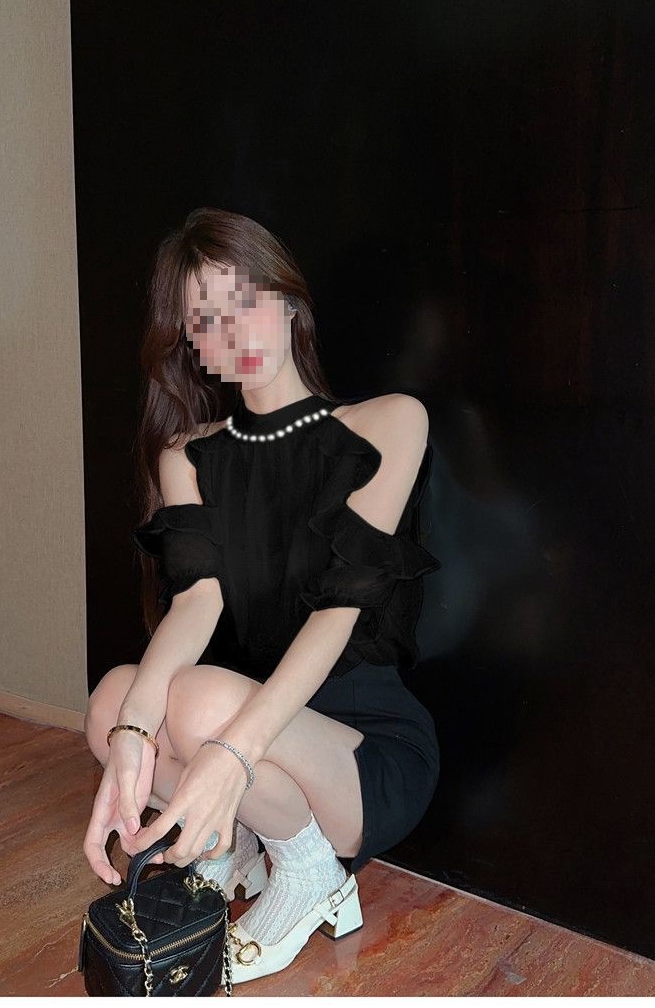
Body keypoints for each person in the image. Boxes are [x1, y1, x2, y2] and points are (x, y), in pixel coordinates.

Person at [82, 207, 441, 984]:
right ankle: (245, 839)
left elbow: (338, 613)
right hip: (248, 722)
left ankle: (310, 871)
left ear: (286, 297)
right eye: (202, 320)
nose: (230, 329)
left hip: (361, 753)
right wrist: (131, 736)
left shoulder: (388, 422)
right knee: (114, 702)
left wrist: (230, 754)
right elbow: (196, 604)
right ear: (192, 346)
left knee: (198, 701)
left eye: (241, 298)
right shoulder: (189, 455)